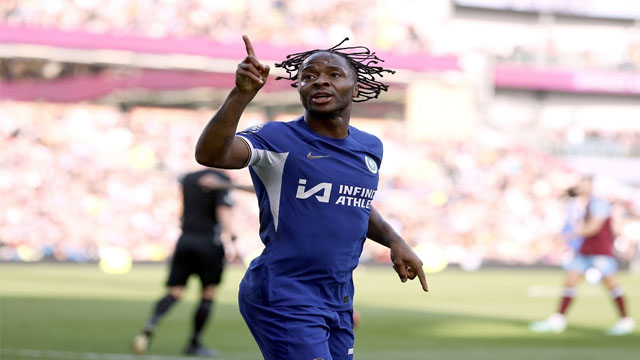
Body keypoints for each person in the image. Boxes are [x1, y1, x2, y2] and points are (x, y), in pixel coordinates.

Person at [194, 35, 428, 360]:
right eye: (308, 75)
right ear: (300, 87)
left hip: (339, 296)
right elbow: (210, 154)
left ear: (356, 87)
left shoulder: (370, 147)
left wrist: (394, 240)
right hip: (284, 291)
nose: (319, 81)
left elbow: (353, 202)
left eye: (333, 74)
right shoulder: (277, 138)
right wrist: (240, 95)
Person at [132, 168, 252, 356]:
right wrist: (233, 240)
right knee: (208, 293)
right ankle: (194, 343)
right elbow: (223, 210)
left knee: (175, 292)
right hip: (209, 243)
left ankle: (152, 323)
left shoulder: (188, 178)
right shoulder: (221, 179)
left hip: (185, 240)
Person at [530, 176, 635, 335]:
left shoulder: (599, 203)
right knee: (570, 282)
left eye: (584, 184)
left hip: (600, 252)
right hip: (585, 250)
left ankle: (625, 321)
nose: (581, 187)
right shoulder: (586, 202)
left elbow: (593, 228)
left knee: (612, 285)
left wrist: (566, 236)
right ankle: (558, 320)